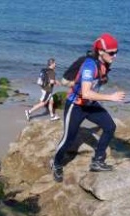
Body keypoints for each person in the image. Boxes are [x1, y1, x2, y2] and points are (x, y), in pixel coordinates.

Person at [51, 33, 125, 182]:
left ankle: (97, 161)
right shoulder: (89, 66)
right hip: (76, 106)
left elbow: (96, 86)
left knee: (110, 127)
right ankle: (56, 164)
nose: (115, 56)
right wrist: (111, 97)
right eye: (111, 53)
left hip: (90, 105)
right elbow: (85, 93)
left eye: (116, 52)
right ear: (101, 52)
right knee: (68, 139)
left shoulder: (104, 63)